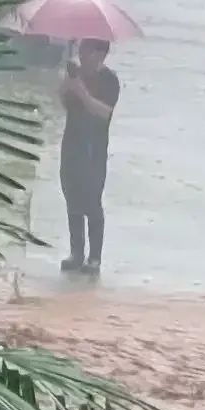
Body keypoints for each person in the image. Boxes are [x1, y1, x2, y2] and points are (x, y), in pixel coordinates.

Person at [58, 38, 121, 273]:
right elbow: (63, 102)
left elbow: (104, 112)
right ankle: (76, 253)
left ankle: (95, 258)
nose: (81, 54)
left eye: (86, 50)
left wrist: (82, 93)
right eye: (80, 49)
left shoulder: (110, 80)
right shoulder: (77, 76)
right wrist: (68, 84)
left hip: (93, 147)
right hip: (71, 143)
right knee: (71, 196)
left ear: (100, 53)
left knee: (92, 199)